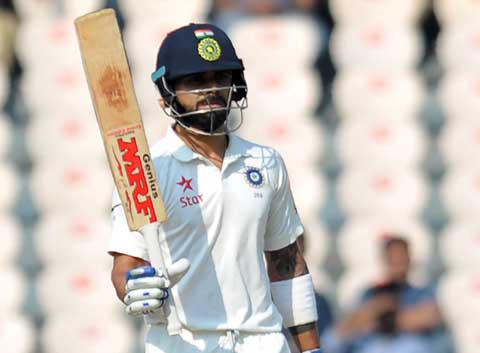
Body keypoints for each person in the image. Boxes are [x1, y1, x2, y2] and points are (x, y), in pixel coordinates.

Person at [108, 23, 322, 353]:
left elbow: (287, 263)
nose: (211, 90)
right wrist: (136, 287)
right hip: (183, 342)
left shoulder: (265, 162)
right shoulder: (144, 168)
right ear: (169, 91)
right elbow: (127, 265)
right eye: (195, 81)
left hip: (262, 341)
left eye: (220, 78)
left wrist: (311, 350)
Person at [321, 236, 449, 353]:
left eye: (401, 258)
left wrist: (381, 316)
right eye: (393, 259)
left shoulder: (423, 293)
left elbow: (428, 318)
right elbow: (342, 332)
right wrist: (375, 309)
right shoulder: (369, 294)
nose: (398, 264)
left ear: (409, 259)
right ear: (385, 260)